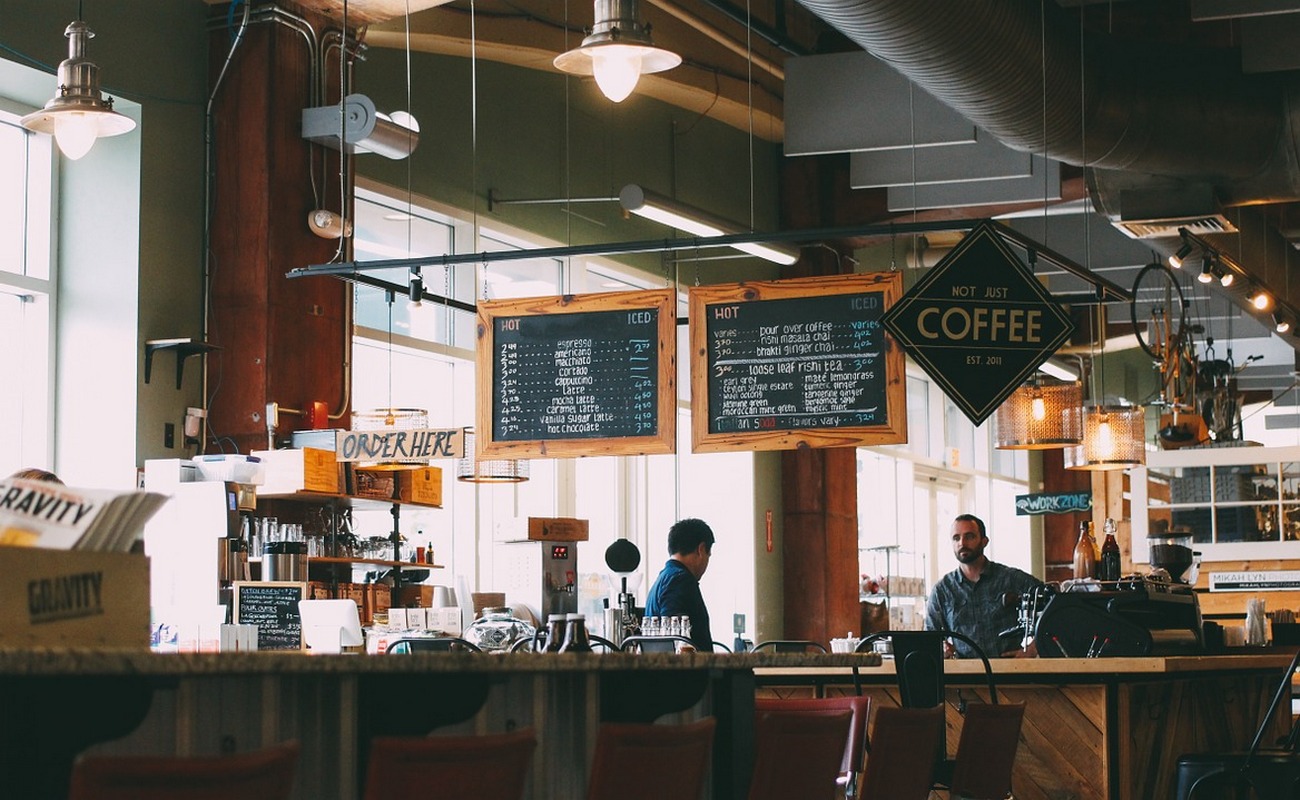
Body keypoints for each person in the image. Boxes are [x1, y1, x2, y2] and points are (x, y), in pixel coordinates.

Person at [926, 513, 1041, 658]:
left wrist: (1032, 649)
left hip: (1010, 673)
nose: (962, 543)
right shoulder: (942, 591)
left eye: (969, 536)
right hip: (965, 675)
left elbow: (1056, 611)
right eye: (956, 538)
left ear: (984, 541)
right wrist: (941, 647)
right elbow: (929, 637)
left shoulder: (1012, 579)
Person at [644, 518, 714, 652]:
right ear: (701, 549)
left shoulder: (663, 577)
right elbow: (678, 639)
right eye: (708, 555)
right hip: (686, 671)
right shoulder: (680, 580)